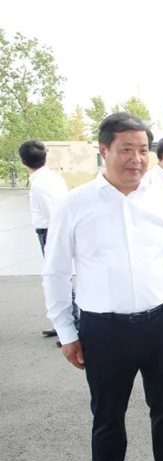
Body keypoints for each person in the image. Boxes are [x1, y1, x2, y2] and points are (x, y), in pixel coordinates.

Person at [42, 113, 163, 461]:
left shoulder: (162, 200)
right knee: (108, 416)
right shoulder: (75, 204)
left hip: (160, 322)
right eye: (126, 149)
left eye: (143, 150)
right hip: (104, 329)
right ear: (104, 150)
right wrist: (66, 331)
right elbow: (55, 272)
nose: (136, 158)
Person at [19, 140, 78, 344]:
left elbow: (52, 214)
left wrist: (56, 237)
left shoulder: (38, 184)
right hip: (55, 230)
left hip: (49, 232)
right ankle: (65, 324)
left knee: (57, 278)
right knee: (60, 278)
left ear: (23, 161)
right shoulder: (54, 178)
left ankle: (71, 327)